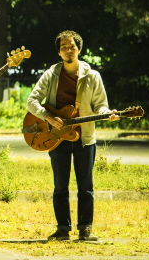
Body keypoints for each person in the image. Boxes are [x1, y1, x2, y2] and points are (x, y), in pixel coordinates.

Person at [26, 30, 119, 242]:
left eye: (72, 47)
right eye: (64, 47)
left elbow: (100, 105)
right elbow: (31, 101)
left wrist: (108, 113)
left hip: (84, 138)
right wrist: (48, 117)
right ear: (59, 52)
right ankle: (62, 229)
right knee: (60, 185)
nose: (69, 50)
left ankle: (85, 229)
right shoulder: (50, 75)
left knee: (86, 186)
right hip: (56, 136)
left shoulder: (92, 76)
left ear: (79, 49)